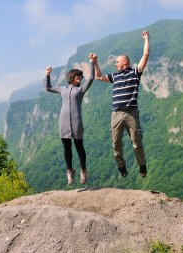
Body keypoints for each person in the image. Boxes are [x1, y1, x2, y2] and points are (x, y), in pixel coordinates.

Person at [90, 30, 150, 178]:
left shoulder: (135, 72)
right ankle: (121, 166)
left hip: (131, 113)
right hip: (116, 113)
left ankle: (142, 165)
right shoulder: (115, 76)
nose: (115, 64)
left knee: (136, 142)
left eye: (117, 62)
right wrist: (95, 62)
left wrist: (146, 39)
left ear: (125, 62)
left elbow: (146, 55)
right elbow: (98, 77)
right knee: (116, 144)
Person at [45, 55, 95, 185]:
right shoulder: (63, 89)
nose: (80, 77)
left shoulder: (81, 89)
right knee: (66, 148)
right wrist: (48, 75)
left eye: (80, 76)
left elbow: (91, 78)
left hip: (77, 122)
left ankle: (83, 171)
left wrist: (92, 62)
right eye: (77, 75)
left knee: (79, 147)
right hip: (63, 123)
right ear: (71, 77)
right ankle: (69, 171)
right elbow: (48, 88)